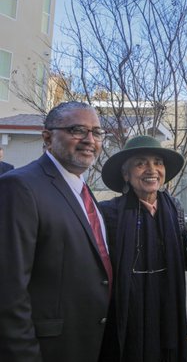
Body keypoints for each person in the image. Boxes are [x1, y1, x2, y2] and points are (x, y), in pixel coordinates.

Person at [0, 101, 111, 362]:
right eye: (77, 130)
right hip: (45, 349)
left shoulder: (82, 191)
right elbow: (9, 290)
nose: (89, 139)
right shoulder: (20, 187)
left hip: (84, 342)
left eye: (96, 132)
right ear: (47, 138)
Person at [98, 135, 187, 362]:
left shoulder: (174, 208)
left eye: (158, 162)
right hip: (128, 307)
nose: (152, 170)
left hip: (166, 303)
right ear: (126, 174)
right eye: (141, 164)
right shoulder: (108, 212)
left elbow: (184, 253)